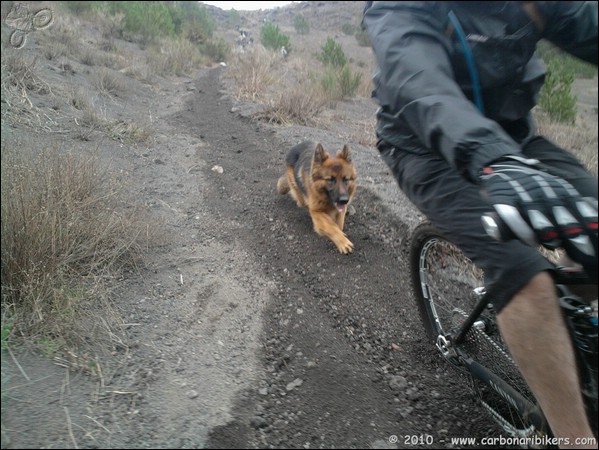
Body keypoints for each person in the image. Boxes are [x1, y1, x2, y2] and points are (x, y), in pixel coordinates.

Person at [362, 1, 598, 448]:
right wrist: (493, 159)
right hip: (421, 145)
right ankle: (574, 440)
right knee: (523, 274)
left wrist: (504, 153)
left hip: (511, 137)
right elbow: (417, 77)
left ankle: (557, 321)